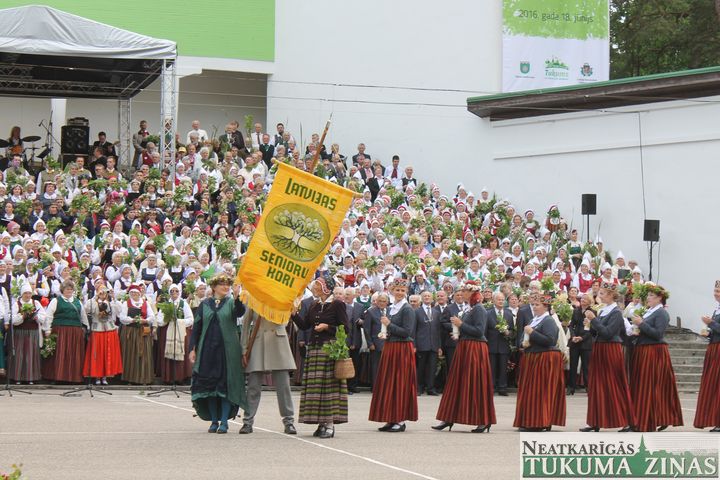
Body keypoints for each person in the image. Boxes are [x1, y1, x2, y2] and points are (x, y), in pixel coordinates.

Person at [433, 281, 496, 433]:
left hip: (474, 349)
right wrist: (459, 332)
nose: (463, 293)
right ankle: (449, 417)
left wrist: (460, 325)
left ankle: (483, 419)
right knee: (457, 383)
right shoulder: (471, 309)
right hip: (465, 346)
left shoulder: (479, 309)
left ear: (473, 293)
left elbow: (479, 331)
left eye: (466, 291)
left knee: (474, 383)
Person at [292, 274, 349, 439]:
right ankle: (321, 423)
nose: (314, 288)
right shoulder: (314, 305)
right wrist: (293, 314)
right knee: (317, 389)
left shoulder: (337, 304)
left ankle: (329, 424)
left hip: (329, 350)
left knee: (328, 389)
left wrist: (327, 327)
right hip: (315, 350)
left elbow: (345, 329)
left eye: (317, 285)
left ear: (325, 287)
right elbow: (305, 325)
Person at [189, 274, 247, 434]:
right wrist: (192, 349)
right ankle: (214, 421)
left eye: (228, 284)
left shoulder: (231, 303)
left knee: (225, 387)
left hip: (227, 352)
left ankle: (224, 422)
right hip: (207, 350)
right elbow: (197, 328)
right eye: (222, 284)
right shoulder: (204, 304)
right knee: (210, 387)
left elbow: (240, 313)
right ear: (214, 287)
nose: (226, 287)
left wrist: (237, 296)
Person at [579, 283, 635, 432]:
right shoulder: (603, 310)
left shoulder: (616, 312)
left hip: (610, 349)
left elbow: (609, 333)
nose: (599, 296)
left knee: (613, 384)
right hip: (600, 348)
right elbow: (597, 333)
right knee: (597, 385)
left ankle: (626, 420)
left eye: (602, 294)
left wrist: (594, 320)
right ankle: (595, 421)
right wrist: (590, 325)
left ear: (611, 295)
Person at [629, 284, 683, 432]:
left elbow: (658, 334)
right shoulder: (649, 311)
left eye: (652, 296)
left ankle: (647, 421)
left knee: (649, 386)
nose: (648, 298)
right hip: (643, 350)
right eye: (648, 296)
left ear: (660, 298)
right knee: (643, 386)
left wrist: (641, 324)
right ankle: (646, 418)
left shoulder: (661, 313)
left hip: (653, 351)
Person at [369, 278, 418, 433]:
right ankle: (391, 417)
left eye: (402, 291)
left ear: (406, 292)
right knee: (389, 383)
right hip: (391, 346)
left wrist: (389, 325)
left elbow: (407, 332)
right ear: (392, 291)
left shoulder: (407, 309)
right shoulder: (391, 308)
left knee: (400, 383)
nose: (399, 293)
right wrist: (386, 333)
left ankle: (400, 419)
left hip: (402, 349)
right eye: (397, 290)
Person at [513, 292, 566, 431]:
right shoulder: (533, 320)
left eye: (537, 305)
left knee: (540, 391)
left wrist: (532, 333)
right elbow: (524, 337)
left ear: (545, 306)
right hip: (533, 357)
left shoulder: (548, 320)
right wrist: (523, 343)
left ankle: (539, 422)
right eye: (533, 304)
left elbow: (550, 340)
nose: (534, 307)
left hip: (544, 359)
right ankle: (532, 420)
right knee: (531, 391)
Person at [239, 309, 297, 435]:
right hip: (258, 342)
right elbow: (246, 324)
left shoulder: (281, 298)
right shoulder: (253, 298)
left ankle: (289, 421)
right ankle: (247, 421)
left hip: (278, 341)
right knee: (253, 386)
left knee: (284, 386)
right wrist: (244, 348)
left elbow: (285, 321)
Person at [43, 280, 88, 383]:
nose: (69, 291)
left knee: (73, 354)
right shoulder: (56, 301)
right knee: (60, 353)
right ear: (62, 290)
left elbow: (83, 316)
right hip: (60, 330)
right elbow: (49, 315)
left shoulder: (77, 302)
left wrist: (86, 328)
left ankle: (73, 377)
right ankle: (57, 377)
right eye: (67, 289)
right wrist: (47, 330)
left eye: (71, 289)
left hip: (75, 331)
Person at [82, 285, 122, 385]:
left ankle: (105, 376)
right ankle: (97, 376)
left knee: (107, 353)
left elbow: (119, 311)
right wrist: (95, 298)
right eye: (101, 291)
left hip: (109, 329)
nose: (103, 293)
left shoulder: (110, 302)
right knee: (97, 353)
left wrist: (113, 298)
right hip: (97, 329)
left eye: (104, 291)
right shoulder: (92, 302)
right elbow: (86, 310)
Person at [695, 280, 720, 432]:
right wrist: (709, 331)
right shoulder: (717, 310)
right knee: (714, 385)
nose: (716, 294)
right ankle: (715, 419)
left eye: (718, 291)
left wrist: (711, 323)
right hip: (714, 348)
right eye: (715, 291)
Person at [156, 284, 194, 384]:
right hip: (168, 331)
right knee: (168, 353)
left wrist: (178, 321)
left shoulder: (183, 304)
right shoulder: (165, 304)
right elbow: (159, 320)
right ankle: (168, 377)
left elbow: (190, 319)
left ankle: (180, 377)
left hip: (180, 332)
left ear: (179, 292)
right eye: (172, 291)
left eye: (176, 291)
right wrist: (167, 320)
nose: (174, 293)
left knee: (180, 353)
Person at [118, 284, 155, 385]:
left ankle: (143, 378)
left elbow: (152, 316)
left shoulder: (145, 303)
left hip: (143, 331)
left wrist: (145, 320)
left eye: (136, 293)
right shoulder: (126, 303)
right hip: (130, 331)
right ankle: (130, 378)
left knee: (143, 354)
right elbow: (122, 317)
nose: (134, 294)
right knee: (130, 353)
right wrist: (132, 320)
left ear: (139, 293)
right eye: (132, 293)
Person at [7, 283, 44, 384]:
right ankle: (17, 378)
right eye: (25, 293)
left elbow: (43, 316)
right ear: (22, 294)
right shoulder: (16, 304)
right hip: (20, 333)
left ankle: (30, 378)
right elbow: (13, 320)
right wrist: (22, 317)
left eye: (29, 293)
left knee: (31, 355)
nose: (27, 295)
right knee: (19, 355)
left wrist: (36, 317)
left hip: (33, 333)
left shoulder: (35, 303)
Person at [486, 291, 514, 396]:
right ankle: (491, 387)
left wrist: (508, 333)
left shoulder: (508, 313)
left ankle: (503, 388)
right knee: (491, 368)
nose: (501, 301)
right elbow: (484, 330)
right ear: (493, 300)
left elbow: (512, 331)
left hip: (503, 345)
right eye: (499, 299)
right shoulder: (487, 313)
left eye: (502, 299)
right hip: (491, 344)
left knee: (503, 368)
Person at [567, 294, 593, 395]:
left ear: (589, 301)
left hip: (586, 342)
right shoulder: (576, 310)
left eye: (585, 299)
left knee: (586, 366)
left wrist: (582, 338)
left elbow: (592, 329)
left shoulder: (592, 312)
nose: (582, 300)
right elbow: (571, 325)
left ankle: (588, 387)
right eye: (581, 299)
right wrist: (573, 336)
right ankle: (571, 387)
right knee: (573, 365)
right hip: (574, 341)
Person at [415, 291, 440, 396]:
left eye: (429, 296)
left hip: (433, 344)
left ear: (432, 298)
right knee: (420, 367)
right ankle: (419, 388)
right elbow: (414, 329)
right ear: (421, 298)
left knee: (432, 368)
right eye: (425, 296)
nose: (427, 297)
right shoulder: (417, 312)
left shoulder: (436, 312)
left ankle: (430, 388)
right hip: (421, 344)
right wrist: (414, 345)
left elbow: (439, 331)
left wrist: (439, 346)